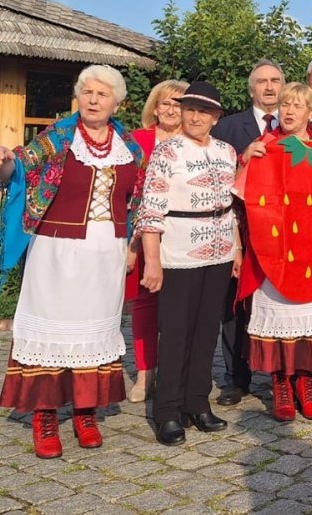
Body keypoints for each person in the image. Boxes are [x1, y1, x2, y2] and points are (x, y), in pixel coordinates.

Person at [0, 64, 145, 459]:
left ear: (116, 103)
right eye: (87, 92)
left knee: (94, 334)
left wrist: (132, 247)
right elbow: (17, 169)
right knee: (52, 332)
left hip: (105, 255)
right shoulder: (57, 138)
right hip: (56, 252)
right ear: (78, 97)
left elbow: (137, 201)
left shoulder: (130, 147)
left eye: (102, 94)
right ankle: (44, 415)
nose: (93, 100)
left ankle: (85, 412)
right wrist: (3, 160)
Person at [135, 81, 240, 445]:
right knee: (176, 332)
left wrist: (237, 249)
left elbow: (233, 205)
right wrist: (152, 261)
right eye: (190, 109)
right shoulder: (167, 151)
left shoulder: (227, 151)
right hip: (179, 252)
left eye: (204, 111)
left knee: (206, 330)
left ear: (216, 117)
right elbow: (150, 210)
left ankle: (197, 402)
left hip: (220, 251)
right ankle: (167, 410)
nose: (195, 117)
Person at [238, 83, 312, 422]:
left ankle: (306, 382)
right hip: (275, 250)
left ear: (311, 111)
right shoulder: (264, 146)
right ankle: (281, 384)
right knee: (280, 319)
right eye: (285, 104)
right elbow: (240, 195)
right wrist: (246, 159)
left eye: (297, 105)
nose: (289, 111)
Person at [211, 59, 285, 406]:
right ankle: (236, 378)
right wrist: (243, 158)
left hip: (282, 230)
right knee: (235, 302)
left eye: (275, 81)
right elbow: (214, 178)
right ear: (251, 88)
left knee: (279, 300)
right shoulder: (228, 127)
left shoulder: (297, 125)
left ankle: (281, 374)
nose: (269, 87)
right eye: (262, 81)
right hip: (239, 227)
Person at [124, 78, 189, 403]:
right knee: (145, 303)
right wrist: (131, 244)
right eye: (166, 102)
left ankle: (177, 373)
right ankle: (145, 372)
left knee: (180, 306)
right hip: (140, 234)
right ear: (155, 107)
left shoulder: (195, 142)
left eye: (179, 103)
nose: (172, 109)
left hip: (183, 236)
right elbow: (125, 192)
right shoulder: (136, 141)